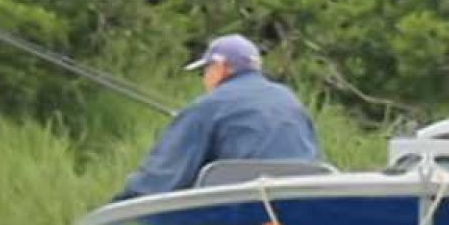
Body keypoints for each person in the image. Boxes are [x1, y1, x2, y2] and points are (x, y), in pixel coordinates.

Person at [114, 34, 321, 200]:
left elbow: (162, 175)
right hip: (301, 201)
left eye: (206, 69)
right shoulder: (289, 99)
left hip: (239, 210)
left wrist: (122, 202)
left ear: (220, 68)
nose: (204, 77)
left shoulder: (207, 107)